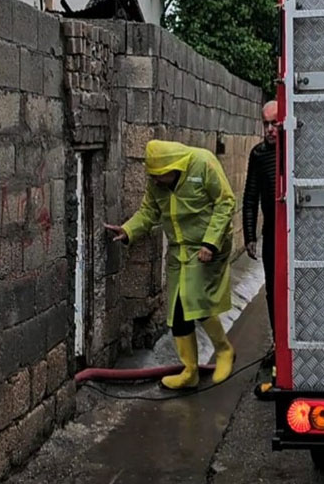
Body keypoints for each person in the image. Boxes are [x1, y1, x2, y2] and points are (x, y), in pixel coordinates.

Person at [105, 140, 238, 390]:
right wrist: (128, 230)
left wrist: (211, 243)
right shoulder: (157, 182)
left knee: (198, 301)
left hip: (209, 245)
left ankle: (224, 351)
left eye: (159, 176)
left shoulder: (203, 162)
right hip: (180, 251)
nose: (155, 181)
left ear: (174, 167)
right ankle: (190, 372)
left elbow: (225, 202)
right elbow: (149, 212)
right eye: (152, 176)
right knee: (177, 311)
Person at [243, 101, 279, 355]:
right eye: (265, 124)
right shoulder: (259, 154)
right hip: (272, 233)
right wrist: (249, 234)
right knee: (272, 289)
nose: (269, 129)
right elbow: (250, 196)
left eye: (274, 123)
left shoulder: (296, 149)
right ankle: (278, 342)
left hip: (297, 234)